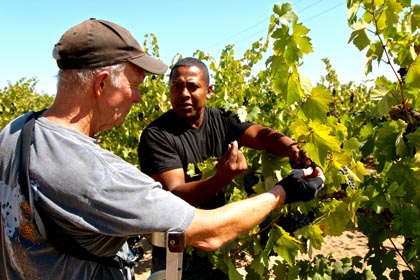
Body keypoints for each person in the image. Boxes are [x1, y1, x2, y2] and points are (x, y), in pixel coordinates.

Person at [0, 19, 324, 280]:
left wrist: (291, 147)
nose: (138, 98)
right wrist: (284, 191)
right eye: (135, 85)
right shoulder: (98, 173)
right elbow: (209, 234)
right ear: (101, 84)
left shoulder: (15, 132)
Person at [138, 57, 316, 279]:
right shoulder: (156, 136)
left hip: (219, 237)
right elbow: (175, 195)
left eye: (192, 86)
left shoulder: (220, 119)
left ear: (208, 91)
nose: (183, 93)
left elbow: (259, 136)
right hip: (177, 246)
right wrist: (222, 177)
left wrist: (292, 147)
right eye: (176, 86)